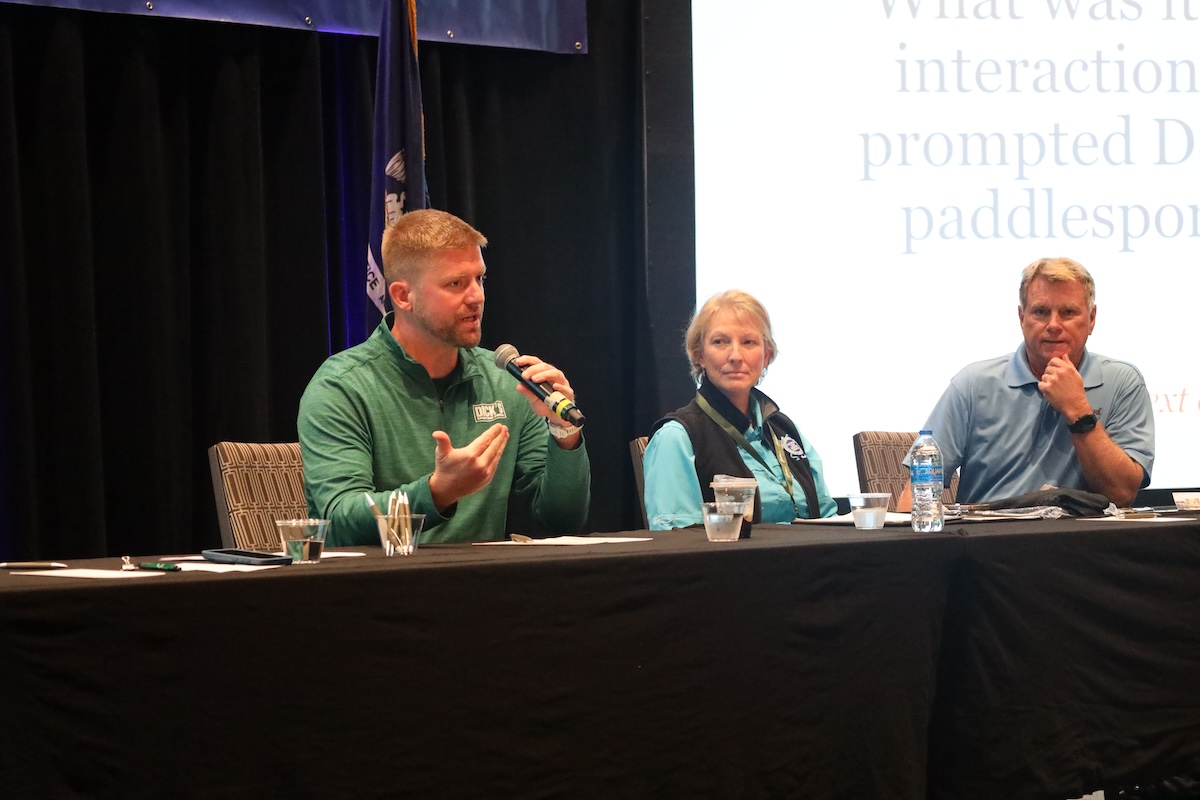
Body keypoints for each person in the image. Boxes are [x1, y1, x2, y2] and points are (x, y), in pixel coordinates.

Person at [298, 209, 590, 545]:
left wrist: (562, 432)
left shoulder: (508, 382)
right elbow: (340, 518)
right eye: (456, 283)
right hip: (377, 589)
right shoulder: (342, 386)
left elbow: (562, 519)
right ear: (403, 296)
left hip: (483, 588)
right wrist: (437, 492)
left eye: (480, 279)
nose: (476, 296)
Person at [903, 256, 1154, 508]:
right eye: (1041, 312)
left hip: (1084, 542)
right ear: (1022, 317)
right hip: (990, 539)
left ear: (1091, 319)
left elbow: (1122, 494)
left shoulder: (1122, 382)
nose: (1054, 325)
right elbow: (916, 495)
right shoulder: (972, 384)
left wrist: (1078, 409)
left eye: (1068, 312)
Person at [642, 290, 838, 529]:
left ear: (766, 355)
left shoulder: (784, 429)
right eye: (720, 341)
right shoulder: (677, 437)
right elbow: (677, 545)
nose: (735, 355)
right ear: (699, 355)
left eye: (748, 342)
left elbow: (829, 519)